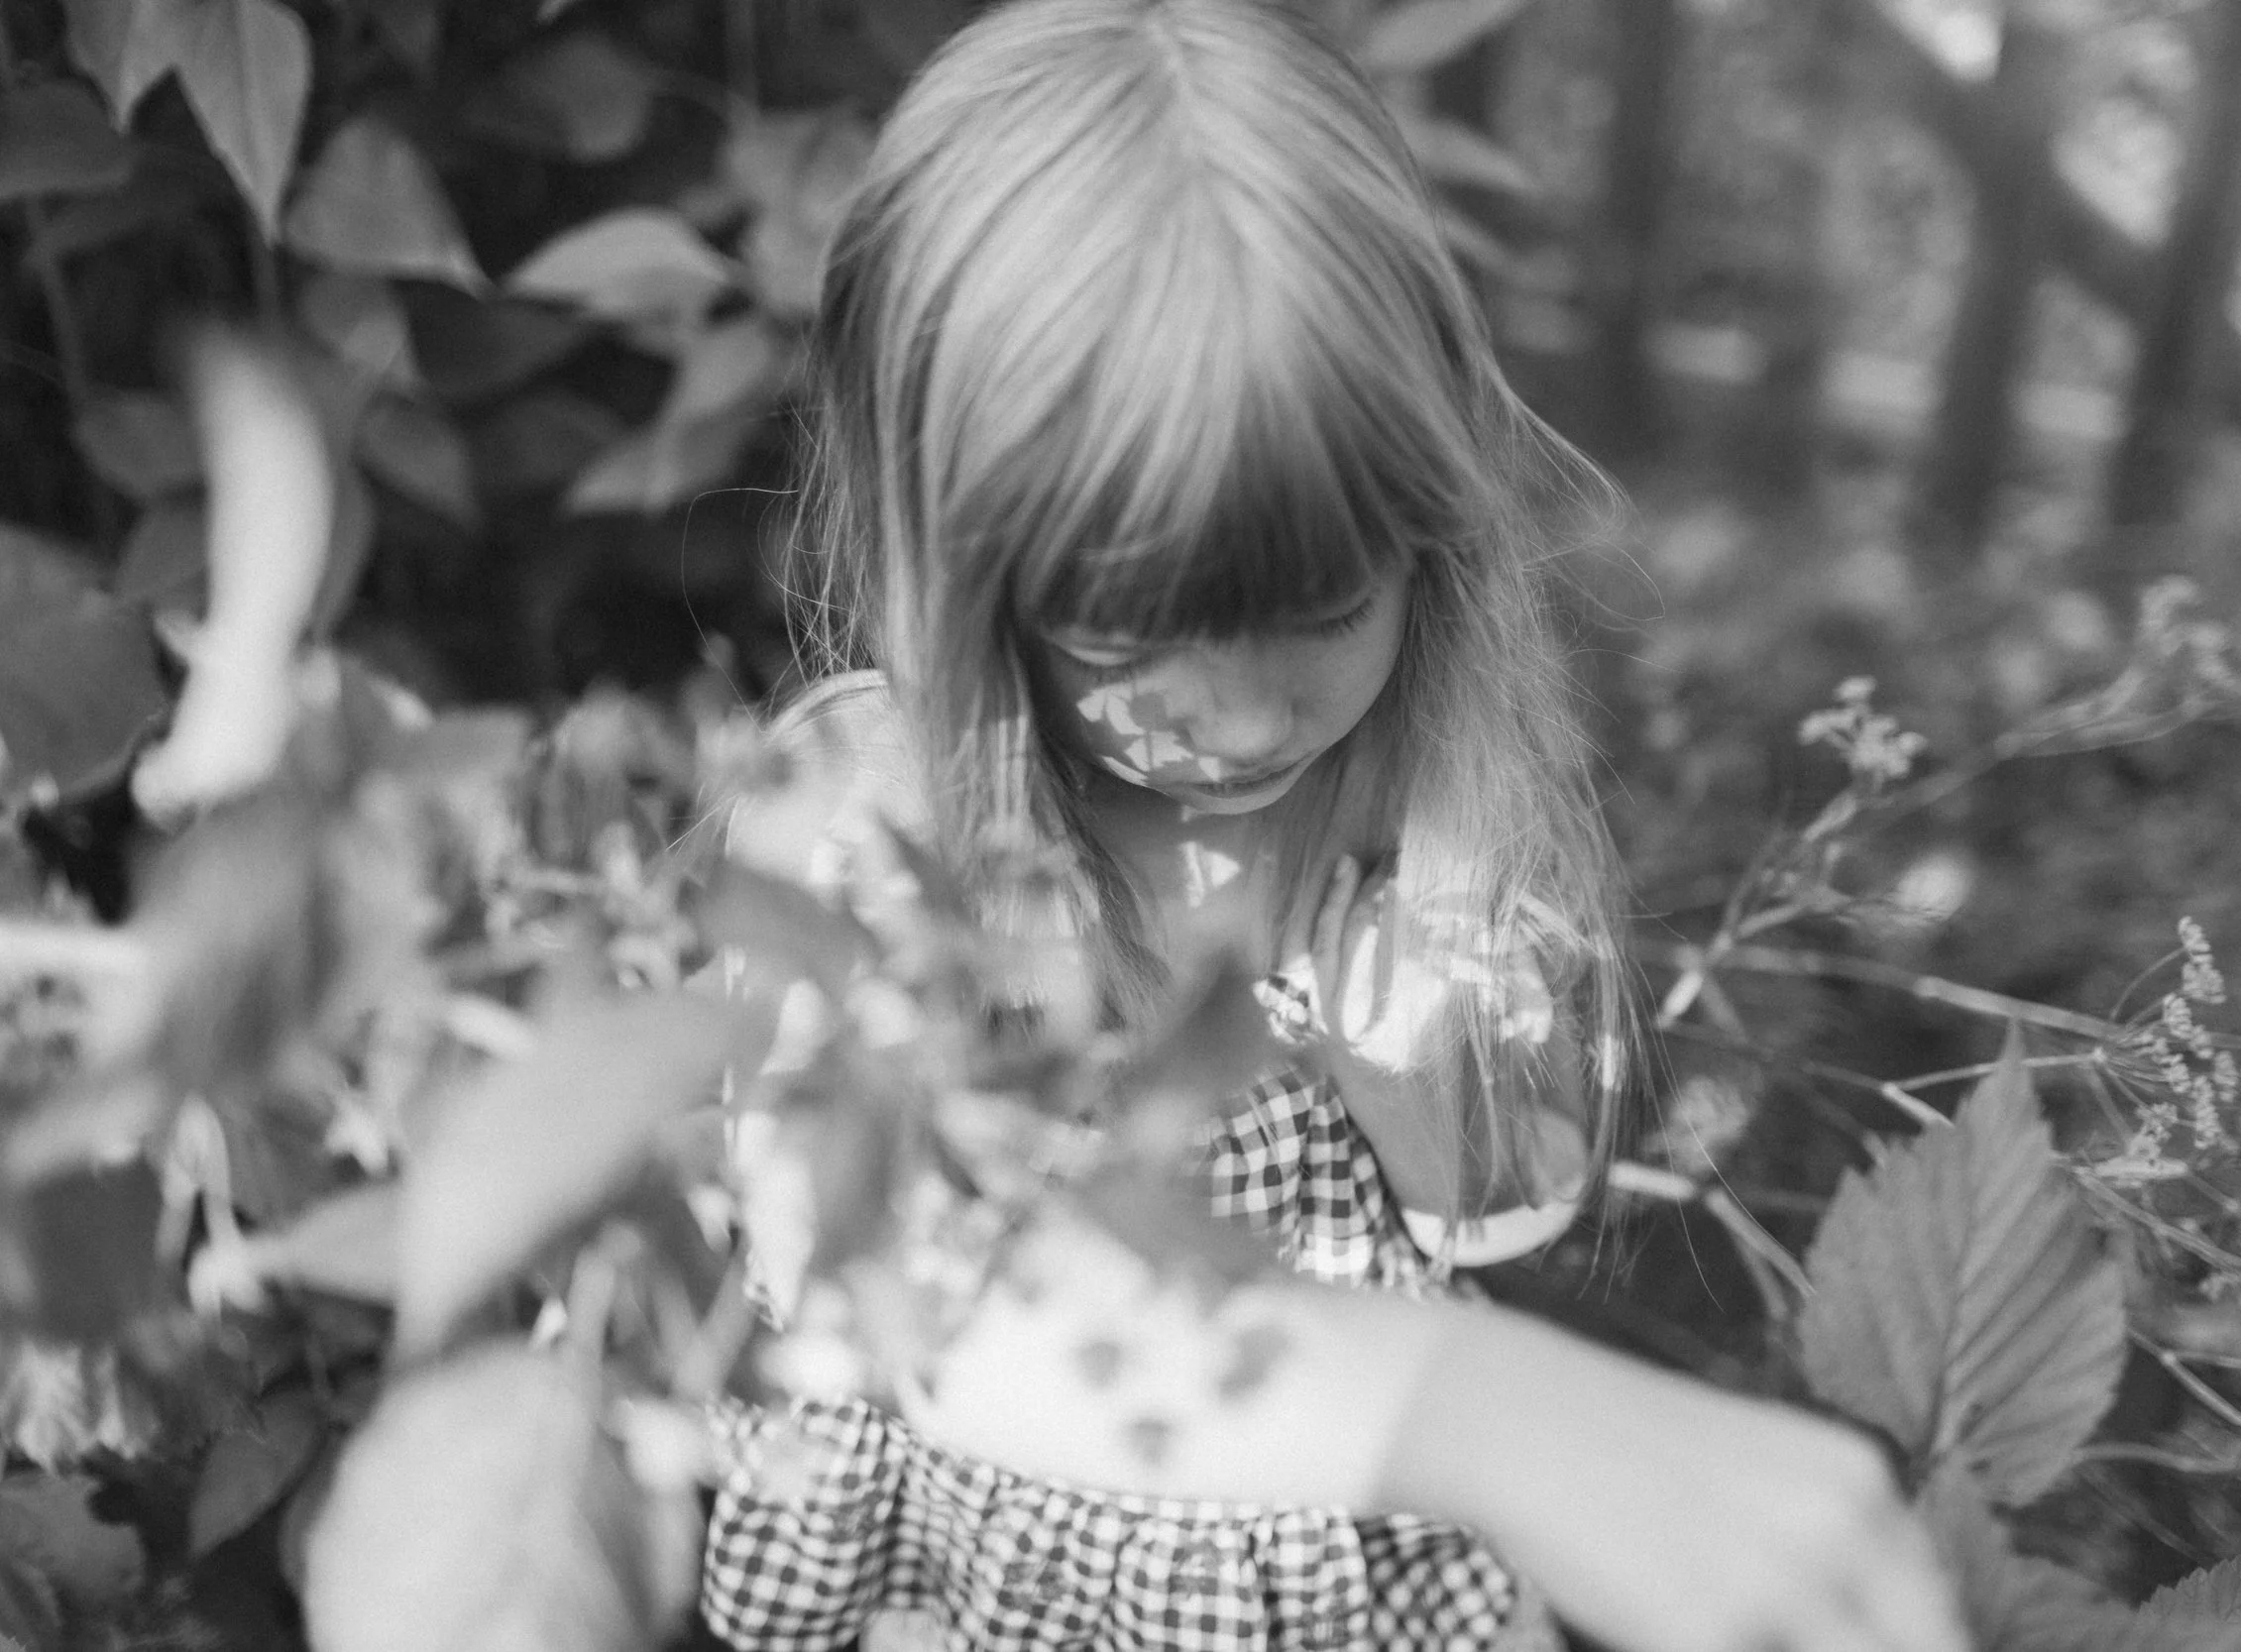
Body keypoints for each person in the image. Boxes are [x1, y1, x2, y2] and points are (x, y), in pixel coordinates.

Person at [701, 0, 1967, 1648]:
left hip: (1322, 1579)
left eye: (1320, 606)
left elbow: (1500, 1203)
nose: (1242, 721)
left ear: (1424, 526)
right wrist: (1490, 1413)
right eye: (1122, 633)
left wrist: (1409, 1062)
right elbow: (883, 1288)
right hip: (980, 1587)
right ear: (960, 562)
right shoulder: (869, 821)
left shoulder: (1411, 804)